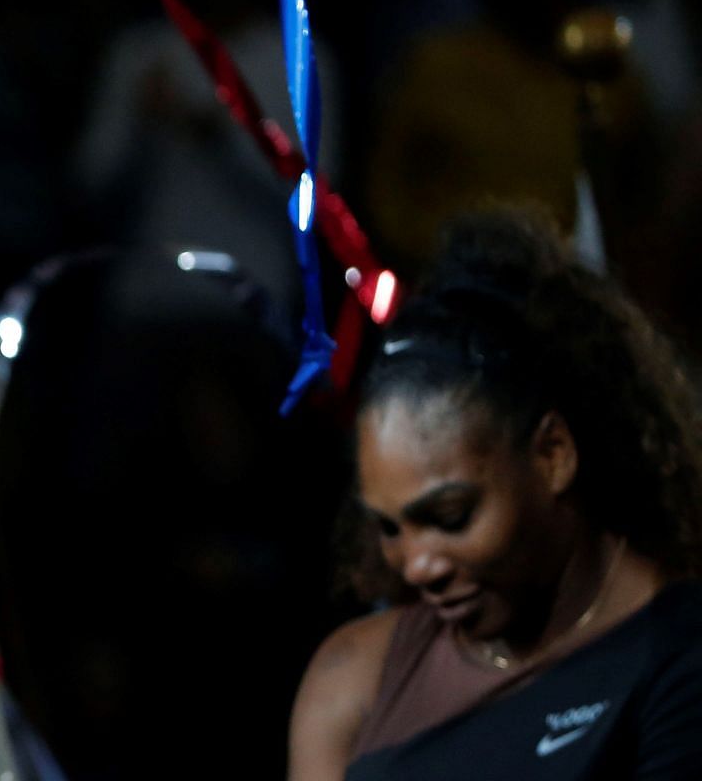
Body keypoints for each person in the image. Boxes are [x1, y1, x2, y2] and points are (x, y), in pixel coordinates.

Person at [287, 209, 702, 779]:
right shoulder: (351, 678)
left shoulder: (678, 659)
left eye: (451, 516)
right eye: (389, 527)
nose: (416, 565)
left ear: (553, 454)